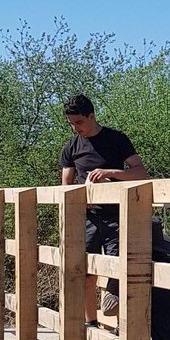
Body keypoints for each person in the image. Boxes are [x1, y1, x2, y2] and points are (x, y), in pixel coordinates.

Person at [60, 94, 147, 324]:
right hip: (86, 218)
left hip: (117, 215)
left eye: (79, 122)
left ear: (91, 116)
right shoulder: (71, 146)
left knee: (120, 270)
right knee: (85, 272)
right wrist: (78, 200)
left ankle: (123, 327)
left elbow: (140, 173)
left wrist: (111, 173)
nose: (75, 128)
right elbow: (65, 185)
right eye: (71, 124)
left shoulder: (116, 139)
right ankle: (91, 324)